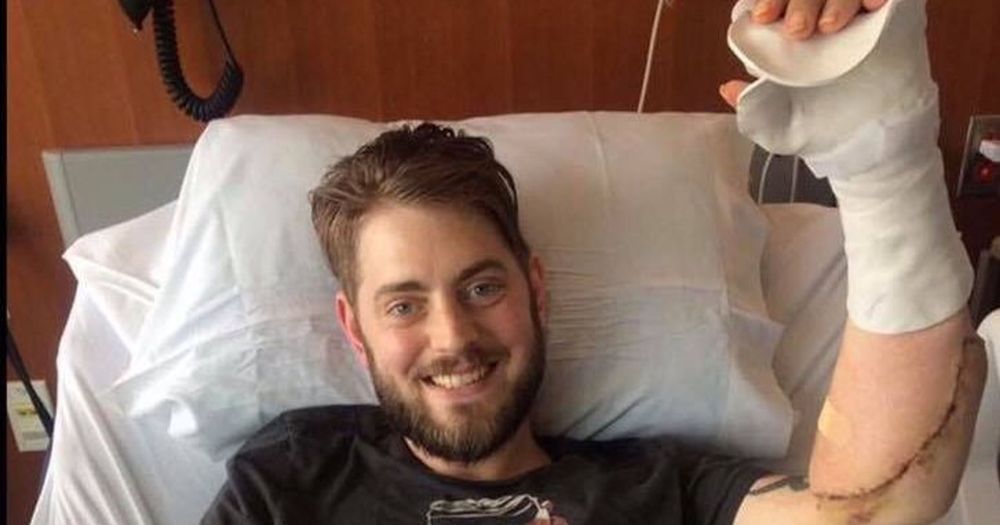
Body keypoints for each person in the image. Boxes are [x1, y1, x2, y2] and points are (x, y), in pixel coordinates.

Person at [201, 1, 987, 523]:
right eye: (404, 304)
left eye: (482, 286)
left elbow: (874, 512)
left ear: (535, 288)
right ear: (354, 327)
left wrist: (883, 166)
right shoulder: (292, 477)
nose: (453, 336)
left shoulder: (657, 486)